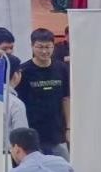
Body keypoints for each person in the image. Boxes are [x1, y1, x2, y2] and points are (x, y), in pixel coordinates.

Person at [15, 28, 71, 159]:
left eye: (48, 47)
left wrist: (69, 128)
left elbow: (66, 99)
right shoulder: (23, 71)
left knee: (63, 168)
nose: (44, 51)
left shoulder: (62, 68)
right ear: (32, 46)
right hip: (32, 136)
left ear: (53, 46)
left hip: (57, 134)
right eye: (40, 47)